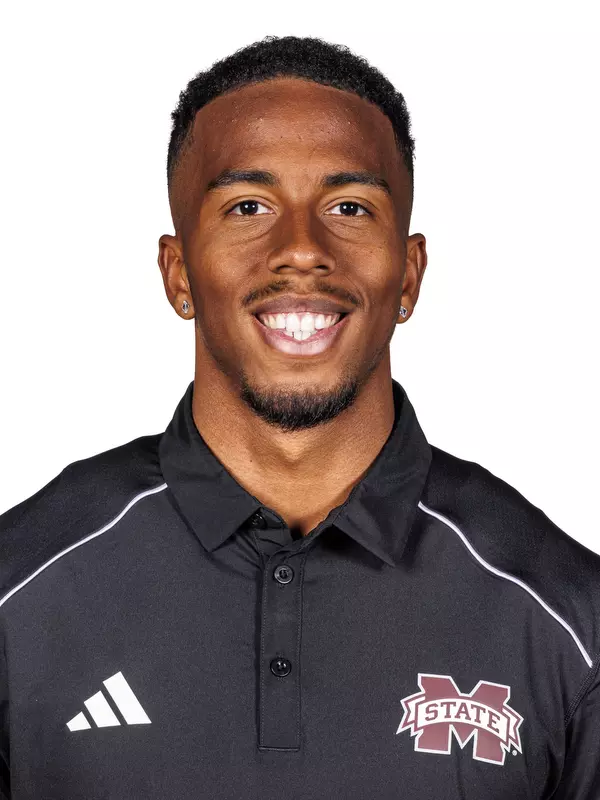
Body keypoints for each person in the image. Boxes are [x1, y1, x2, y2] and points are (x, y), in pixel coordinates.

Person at [0, 34, 598, 800]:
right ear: (179, 274)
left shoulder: (566, 619)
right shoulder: (22, 594)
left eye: (348, 207)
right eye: (249, 206)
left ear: (409, 274)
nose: (303, 249)